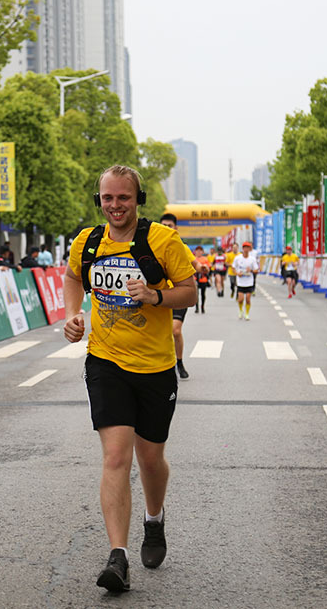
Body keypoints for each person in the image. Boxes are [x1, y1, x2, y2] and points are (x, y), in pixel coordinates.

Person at [63, 165, 196, 593]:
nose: (115, 206)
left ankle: (153, 520)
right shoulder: (87, 242)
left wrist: (156, 296)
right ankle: (117, 556)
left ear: (137, 200)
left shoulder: (162, 240)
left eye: (123, 198)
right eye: (107, 198)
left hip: (156, 367)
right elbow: (71, 278)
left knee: (150, 459)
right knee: (116, 456)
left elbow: (190, 290)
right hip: (105, 362)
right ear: (98, 200)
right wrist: (72, 314)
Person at [159, 213, 200, 380]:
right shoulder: (152, 246)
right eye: (163, 226)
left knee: (175, 330)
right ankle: (163, 364)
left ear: (175, 228)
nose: (166, 229)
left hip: (178, 295)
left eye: (169, 226)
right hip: (159, 297)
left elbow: (195, 264)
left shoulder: (180, 246)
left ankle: (179, 362)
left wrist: (202, 269)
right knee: (161, 332)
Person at [232, 241, 259, 320]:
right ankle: (241, 311)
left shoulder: (252, 259)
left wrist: (250, 270)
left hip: (249, 282)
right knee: (240, 299)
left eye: (248, 248)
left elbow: (256, 270)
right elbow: (233, 268)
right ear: (243, 249)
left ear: (250, 249)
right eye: (245, 248)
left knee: (247, 299)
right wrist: (237, 273)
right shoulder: (238, 258)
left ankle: (247, 314)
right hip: (240, 282)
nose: (246, 249)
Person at [193, 246, 211, 314]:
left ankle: (202, 306)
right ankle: (196, 307)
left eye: (200, 251)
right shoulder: (193, 259)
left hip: (203, 278)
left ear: (202, 252)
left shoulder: (205, 259)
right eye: (197, 251)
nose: (198, 252)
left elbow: (208, 268)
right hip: (195, 279)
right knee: (196, 294)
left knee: (203, 294)